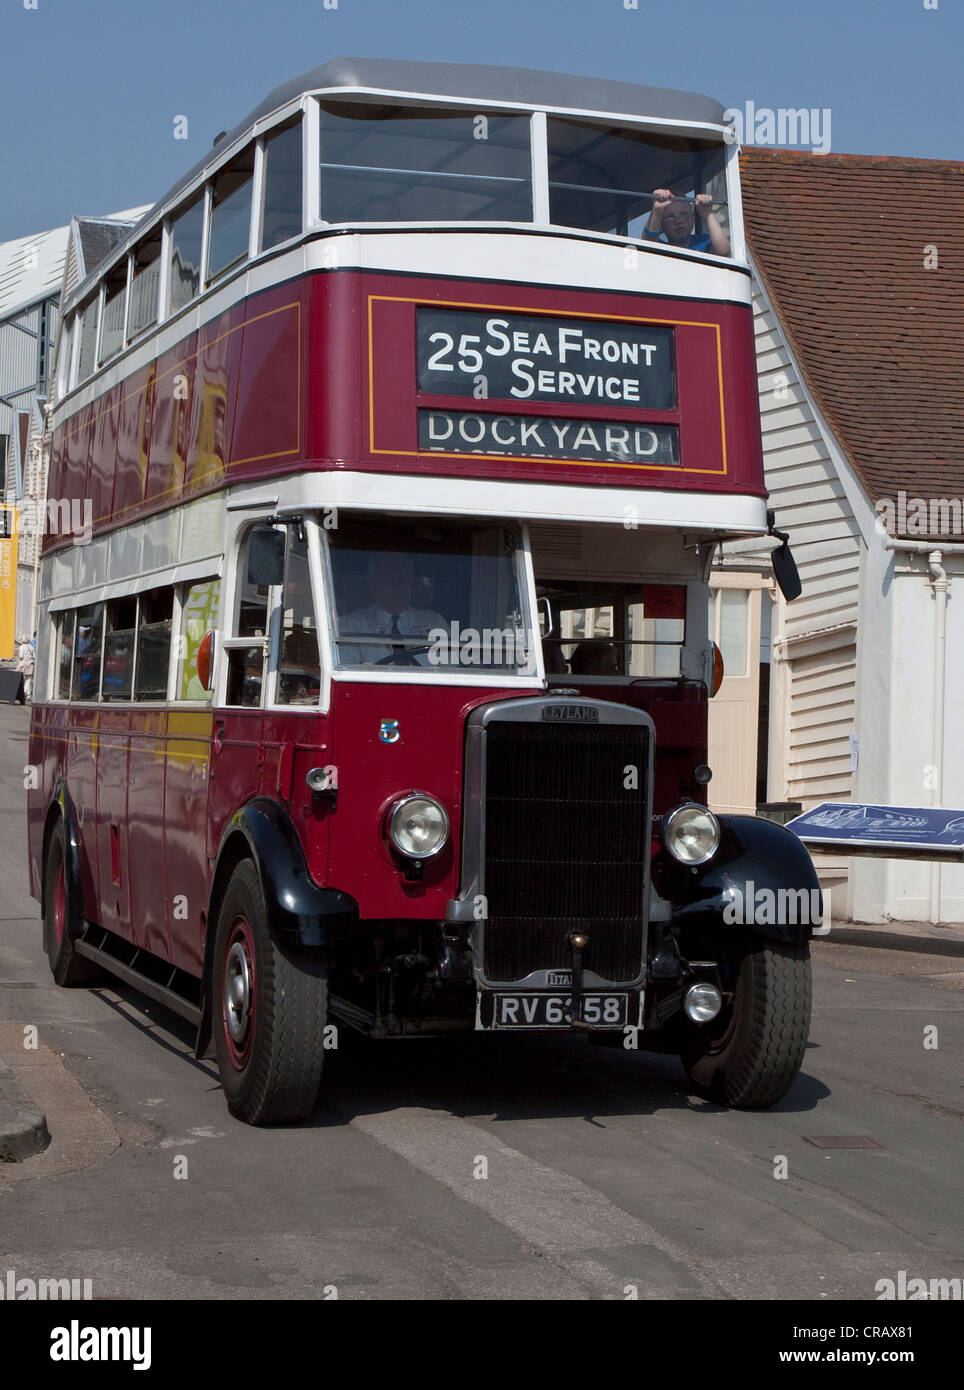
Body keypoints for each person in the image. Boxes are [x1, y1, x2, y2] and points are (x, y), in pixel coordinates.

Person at [339, 553, 445, 665]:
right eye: (389, 577)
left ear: (411, 583)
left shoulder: (435, 623)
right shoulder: (353, 625)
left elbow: (452, 672)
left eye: (404, 577)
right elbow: (345, 671)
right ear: (374, 583)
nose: (398, 584)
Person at [644, 189, 730, 256]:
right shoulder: (660, 248)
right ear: (662, 224)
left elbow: (723, 251)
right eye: (670, 217)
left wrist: (707, 214)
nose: (678, 221)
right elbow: (647, 245)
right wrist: (657, 211)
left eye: (683, 214)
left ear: (692, 218)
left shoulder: (702, 242)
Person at [17, 636, 35, 703]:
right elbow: (34, 656)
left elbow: (21, 656)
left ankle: (21, 693)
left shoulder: (22, 647)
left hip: (23, 664)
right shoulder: (32, 647)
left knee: (22, 679)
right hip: (30, 664)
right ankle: (27, 694)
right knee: (29, 680)